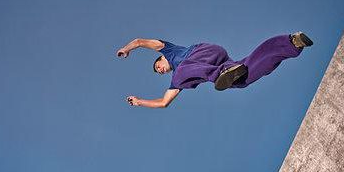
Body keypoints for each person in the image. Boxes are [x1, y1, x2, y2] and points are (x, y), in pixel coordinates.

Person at [116, 32, 313, 108]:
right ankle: (290, 44)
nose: (160, 70)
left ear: (161, 58)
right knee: (245, 74)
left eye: (158, 66)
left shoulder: (168, 50)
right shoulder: (176, 80)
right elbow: (164, 102)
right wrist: (139, 101)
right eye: (159, 72)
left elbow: (140, 41)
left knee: (182, 74)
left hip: (201, 52)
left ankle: (219, 75)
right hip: (220, 61)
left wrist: (126, 49)